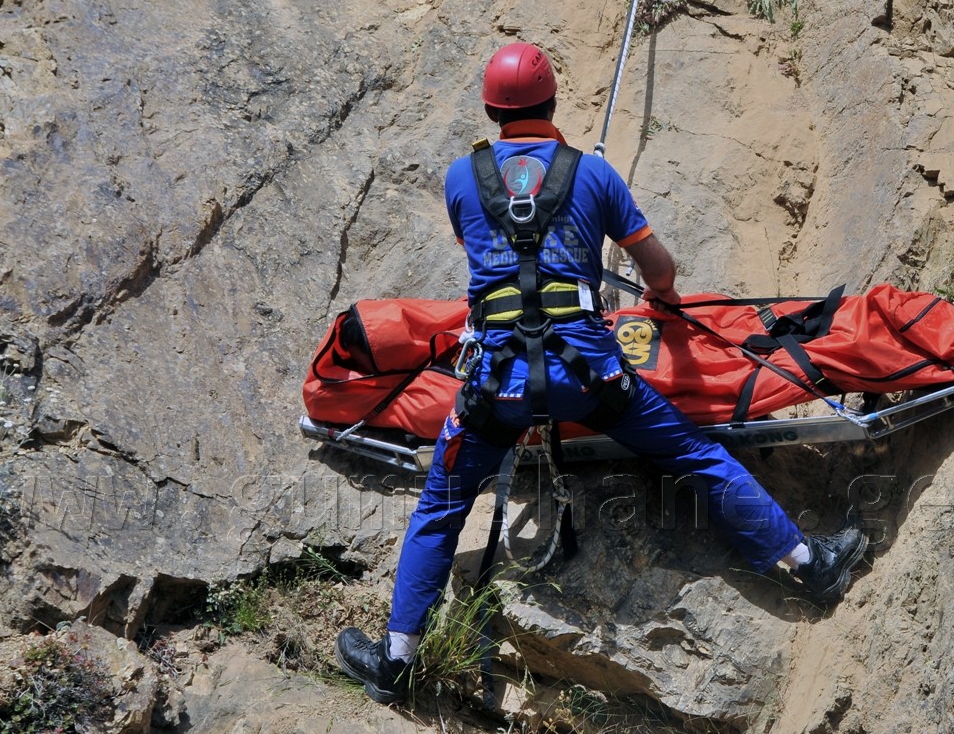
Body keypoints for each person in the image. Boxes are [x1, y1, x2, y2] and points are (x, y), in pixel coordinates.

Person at [335, 42, 867, 703]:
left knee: (441, 504)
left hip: (494, 387)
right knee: (695, 454)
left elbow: (488, 248)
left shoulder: (458, 178)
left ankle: (395, 662)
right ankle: (808, 565)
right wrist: (656, 296)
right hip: (589, 375)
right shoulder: (594, 177)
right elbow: (660, 271)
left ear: (490, 111)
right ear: (553, 102)